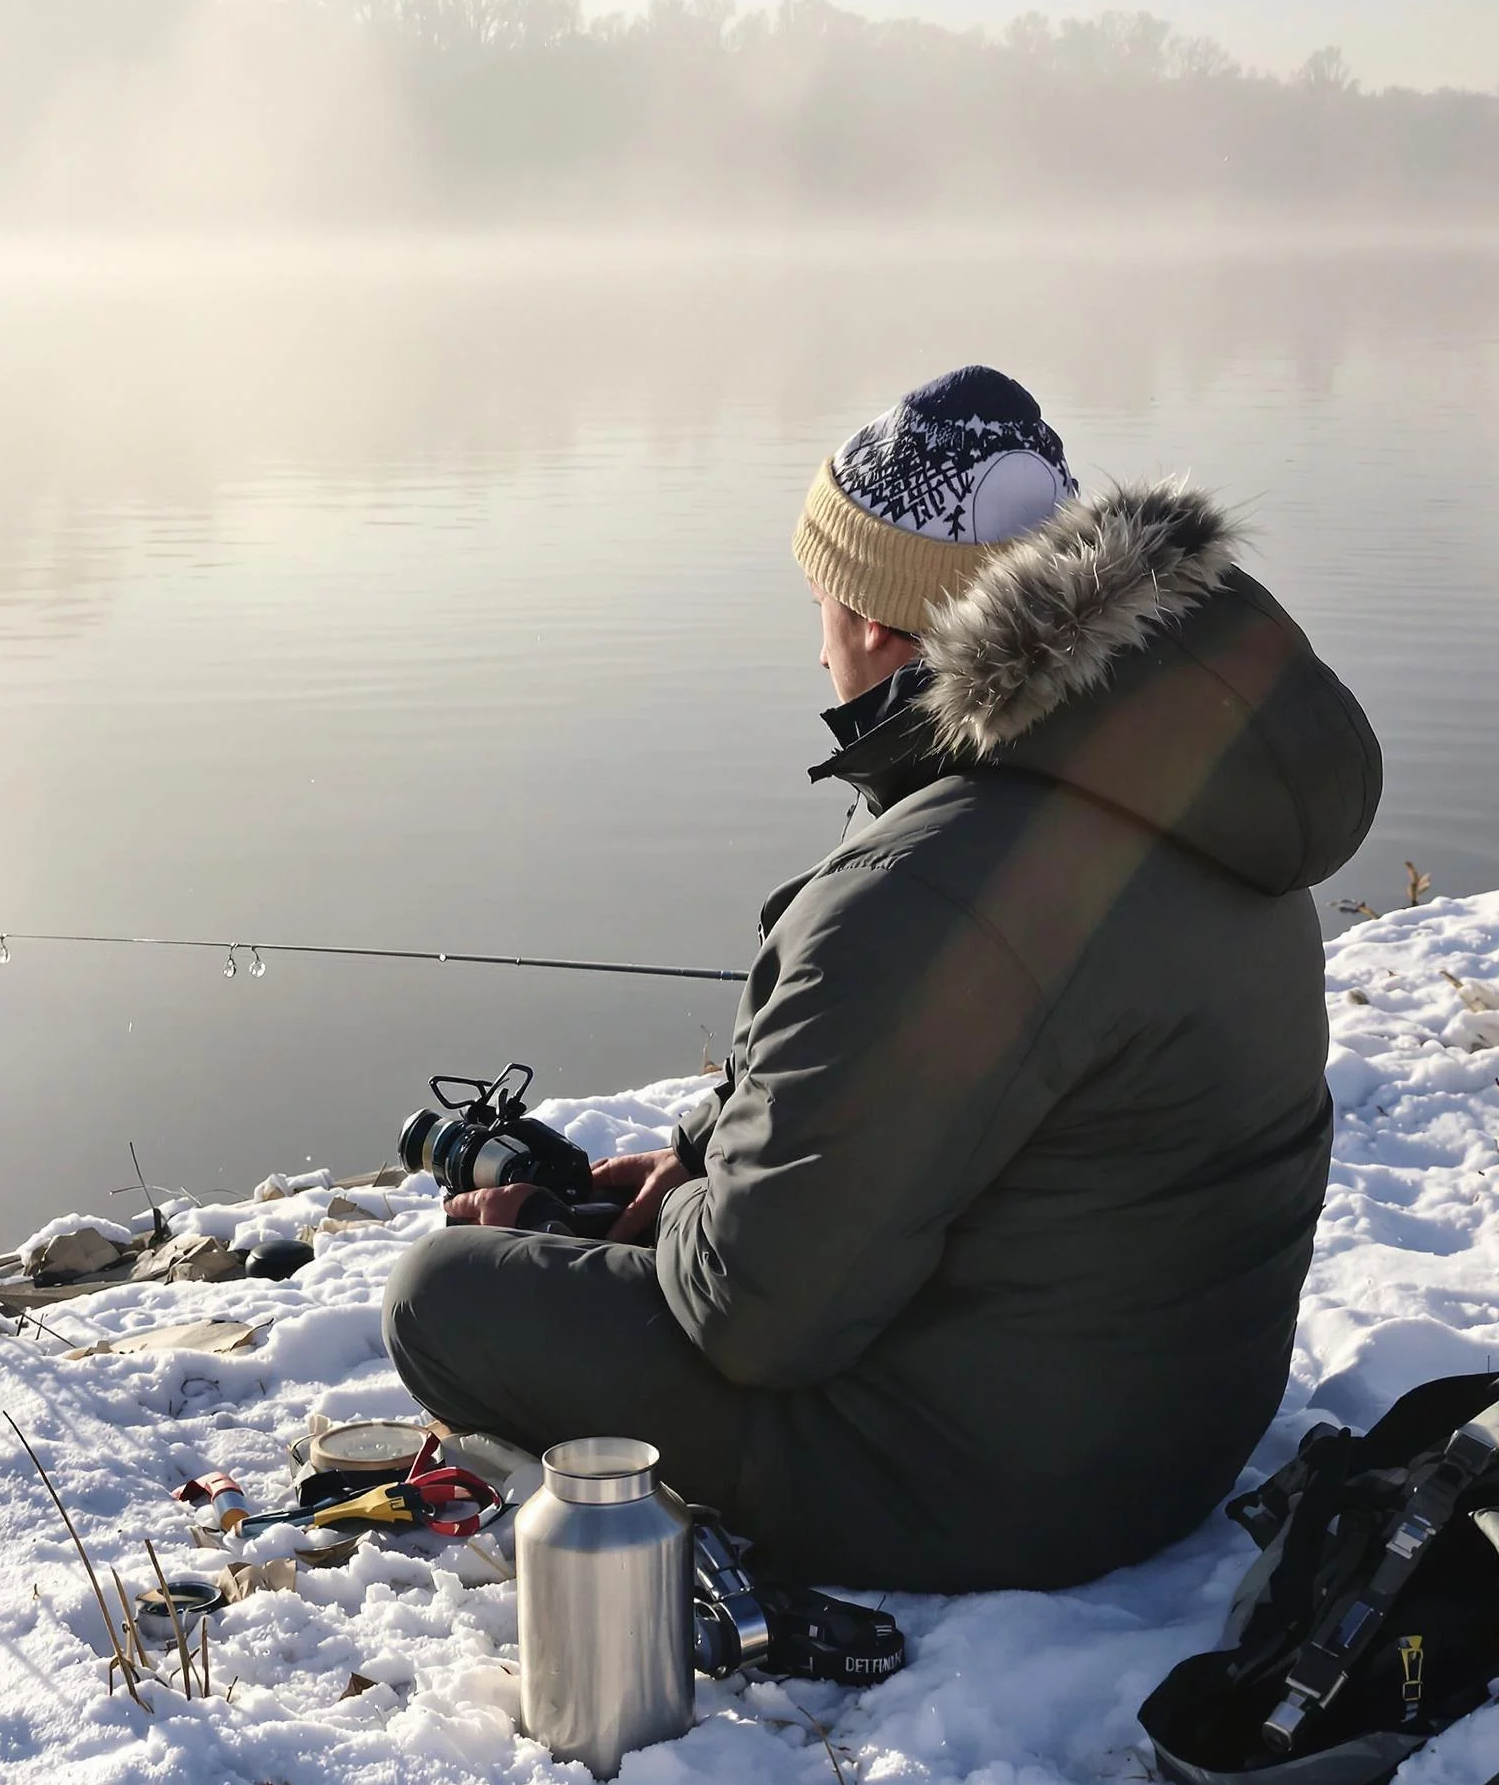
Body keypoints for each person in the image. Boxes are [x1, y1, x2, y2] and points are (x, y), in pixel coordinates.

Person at [383, 364, 1381, 1594]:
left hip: (1004, 1490)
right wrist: (703, 1159)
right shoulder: (1190, 768)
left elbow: (755, 1318)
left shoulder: (928, 885)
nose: (815, 649)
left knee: (445, 1294)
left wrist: (561, 1229)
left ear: (876, 620)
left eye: (820, 599)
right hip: (1181, 1425)